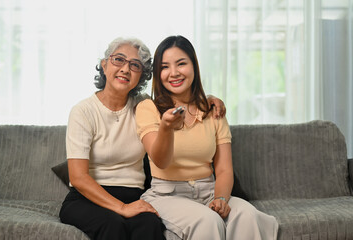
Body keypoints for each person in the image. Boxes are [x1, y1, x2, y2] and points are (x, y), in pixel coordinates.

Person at [59, 37, 227, 240]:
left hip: (133, 194)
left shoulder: (144, 106)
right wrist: (121, 207)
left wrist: (208, 99)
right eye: (118, 60)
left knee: (150, 226)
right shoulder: (83, 111)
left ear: (142, 76)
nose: (125, 69)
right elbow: (78, 178)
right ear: (104, 65)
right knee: (113, 225)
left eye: (135, 65)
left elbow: (180, 100)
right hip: (87, 199)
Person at [135, 35, 279, 240]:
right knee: (207, 220)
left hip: (209, 190)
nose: (174, 73)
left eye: (181, 63)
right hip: (167, 195)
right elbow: (160, 160)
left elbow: (223, 169)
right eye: (165, 67)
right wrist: (166, 128)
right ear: (158, 73)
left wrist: (221, 198)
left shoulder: (213, 110)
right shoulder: (148, 108)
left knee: (247, 215)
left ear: (194, 66)